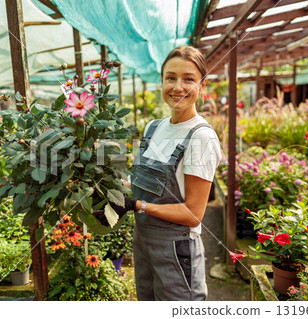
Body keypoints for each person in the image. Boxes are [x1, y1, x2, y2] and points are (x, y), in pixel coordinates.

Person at [95, 46, 222, 301]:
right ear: (162, 81)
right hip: (144, 245)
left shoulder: (201, 137)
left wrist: (137, 205)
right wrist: (113, 185)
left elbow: (193, 214)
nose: (178, 87)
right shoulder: (154, 127)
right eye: (171, 78)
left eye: (189, 79)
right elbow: (149, 185)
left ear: (203, 85)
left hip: (177, 251)